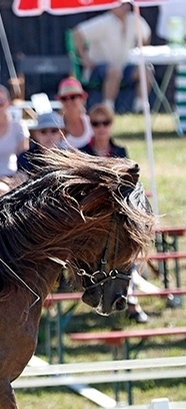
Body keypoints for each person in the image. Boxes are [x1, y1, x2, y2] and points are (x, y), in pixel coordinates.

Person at [79, 103, 148, 323]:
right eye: (96, 123)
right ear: (91, 125)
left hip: (117, 216)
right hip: (93, 218)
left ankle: (130, 289)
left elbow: (129, 188)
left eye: (105, 123)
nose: (101, 128)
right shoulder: (83, 153)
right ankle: (128, 293)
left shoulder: (120, 153)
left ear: (111, 125)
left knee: (127, 243)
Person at [72, 1, 151, 113]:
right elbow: (77, 33)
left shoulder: (134, 20)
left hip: (124, 66)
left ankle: (140, 108)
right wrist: (84, 58)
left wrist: (140, 46)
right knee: (114, 72)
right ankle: (108, 108)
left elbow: (146, 34)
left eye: (127, 3)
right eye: (121, 4)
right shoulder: (103, 22)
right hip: (97, 68)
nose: (125, 6)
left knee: (145, 71)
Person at [56, 77, 92, 149]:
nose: (69, 102)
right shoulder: (54, 126)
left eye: (73, 97)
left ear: (82, 99)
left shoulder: (93, 123)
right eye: (64, 98)